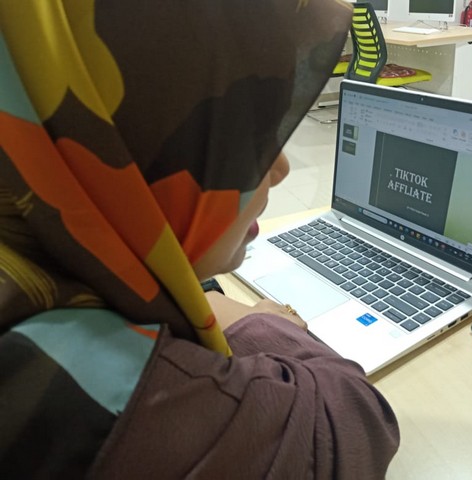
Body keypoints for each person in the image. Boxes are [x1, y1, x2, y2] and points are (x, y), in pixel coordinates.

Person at [0, 1, 400, 478]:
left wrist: (200, 295)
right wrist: (259, 323)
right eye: (252, 143)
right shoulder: (102, 391)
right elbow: (352, 424)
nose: (280, 169)